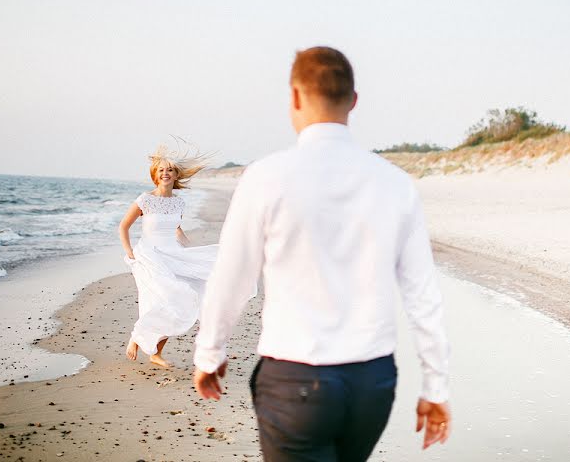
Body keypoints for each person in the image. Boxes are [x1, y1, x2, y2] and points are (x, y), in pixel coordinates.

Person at [193, 46, 451, 460]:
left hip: (295, 377)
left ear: (294, 96)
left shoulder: (266, 177)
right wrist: (435, 386)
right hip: (373, 381)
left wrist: (210, 353)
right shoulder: (395, 183)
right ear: (353, 100)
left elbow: (232, 277)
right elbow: (423, 295)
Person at [119, 145, 217, 369]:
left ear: (176, 175)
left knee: (178, 301)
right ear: (155, 174)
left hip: (172, 255)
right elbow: (123, 227)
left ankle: (154, 351)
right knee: (162, 298)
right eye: (161, 170)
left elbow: (176, 229)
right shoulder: (144, 199)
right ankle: (138, 337)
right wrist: (130, 253)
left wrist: (190, 250)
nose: (166, 173)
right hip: (148, 256)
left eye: (170, 170)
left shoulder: (179, 202)